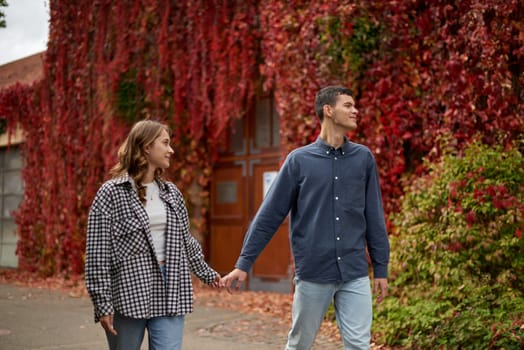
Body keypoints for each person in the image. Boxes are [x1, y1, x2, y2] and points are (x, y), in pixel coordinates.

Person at [221, 86, 390, 350]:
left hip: (354, 272)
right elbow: (269, 216)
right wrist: (244, 264)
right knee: (300, 344)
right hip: (313, 273)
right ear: (329, 110)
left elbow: (374, 215)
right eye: (348, 105)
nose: (355, 110)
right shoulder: (298, 161)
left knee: (359, 345)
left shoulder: (363, 159)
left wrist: (381, 267)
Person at [85, 120, 220, 350]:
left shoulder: (171, 193)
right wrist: (102, 303)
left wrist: (209, 275)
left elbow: (185, 240)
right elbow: (98, 253)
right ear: (147, 147)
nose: (171, 150)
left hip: (171, 286)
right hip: (128, 290)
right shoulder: (111, 194)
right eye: (165, 143)